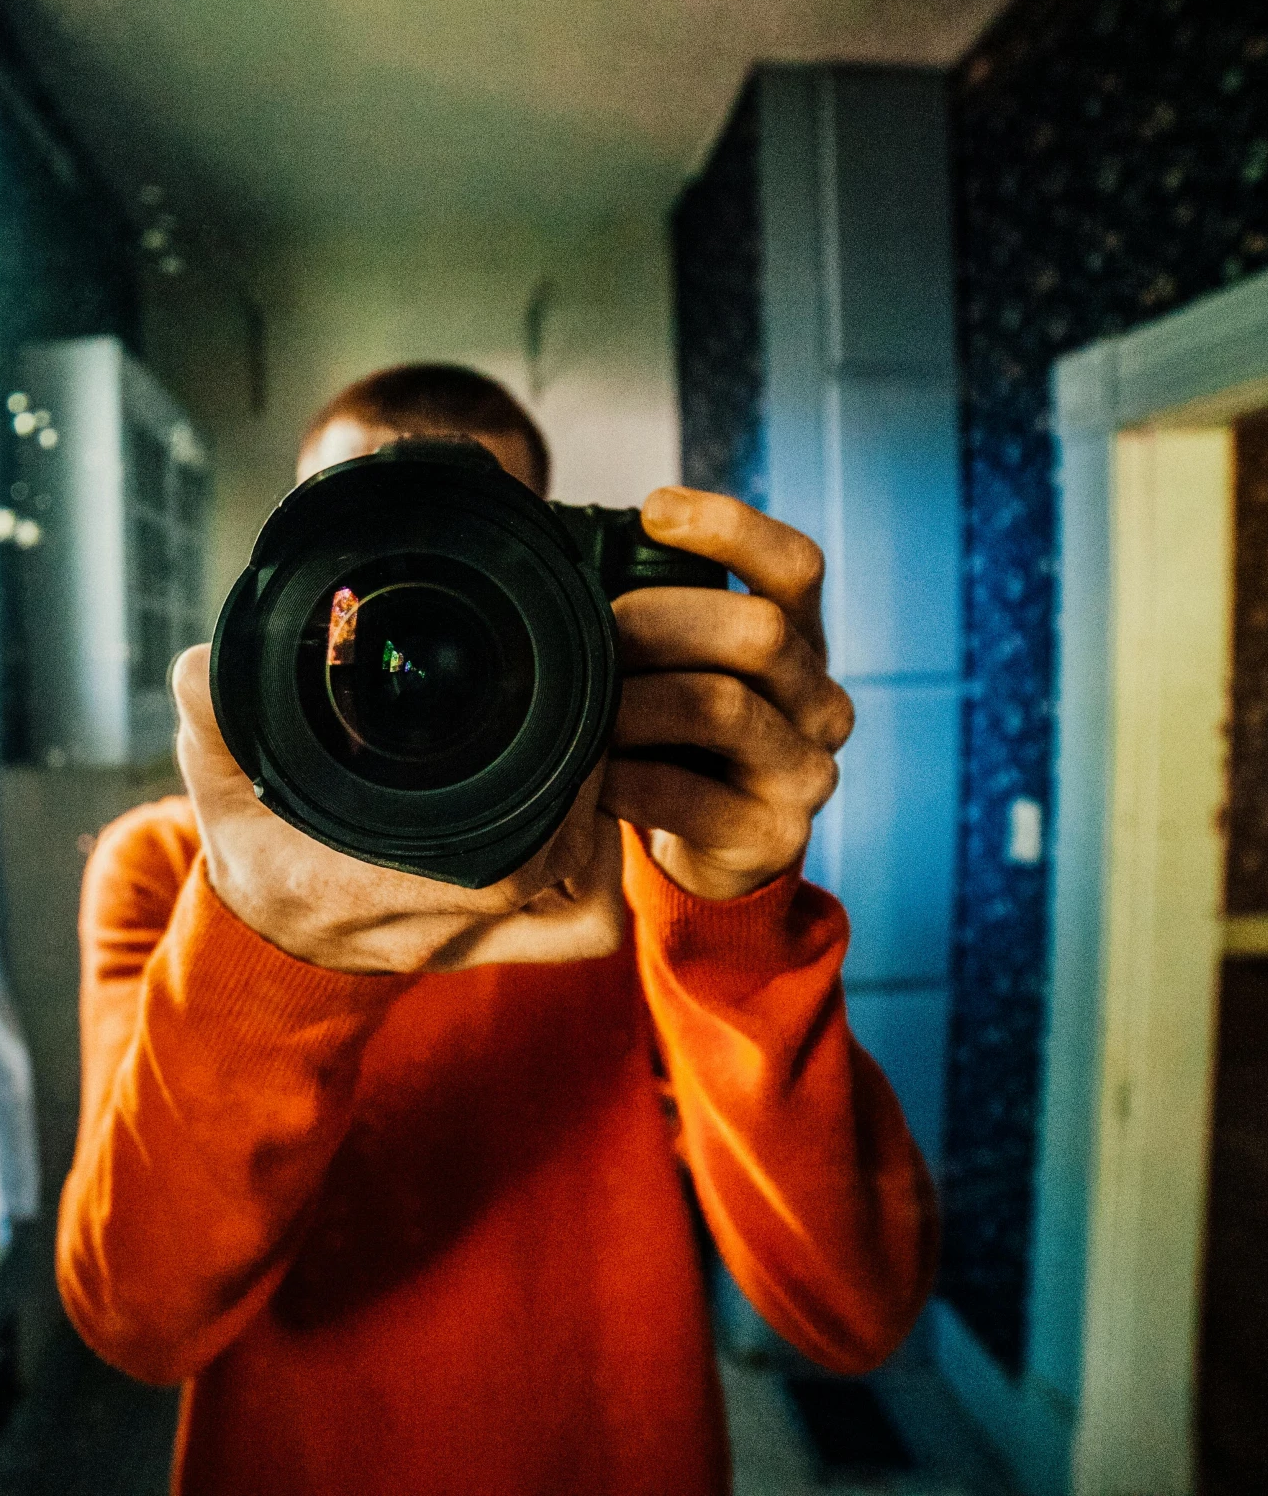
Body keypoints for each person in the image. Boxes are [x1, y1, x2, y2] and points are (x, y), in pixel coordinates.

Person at [57, 363, 936, 1495]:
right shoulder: (174, 867)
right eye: (356, 560)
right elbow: (138, 1316)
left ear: (571, 599)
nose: (396, 631)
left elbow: (853, 1309)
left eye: (471, 567)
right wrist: (265, 942)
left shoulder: (652, 860)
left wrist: (730, 927)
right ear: (279, 579)